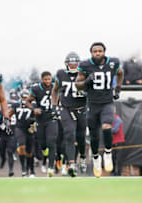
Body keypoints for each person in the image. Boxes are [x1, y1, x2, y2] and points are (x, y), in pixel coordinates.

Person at [75, 42, 124, 178]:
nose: (97, 53)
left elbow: (120, 73)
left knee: (107, 126)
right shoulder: (85, 65)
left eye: (100, 51)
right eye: (95, 51)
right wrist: (86, 82)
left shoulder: (113, 63)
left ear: (104, 52)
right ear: (91, 53)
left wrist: (118, 88)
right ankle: (96, 158)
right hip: (92, 104)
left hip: (107, 102)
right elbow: (77, 85)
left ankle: (108, 153)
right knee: (94, 134)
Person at [51, 51, 88, 177]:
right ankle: (71, 164)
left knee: (81, 137)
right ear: (66, 64)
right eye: (70, 63)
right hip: (66, 108)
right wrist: (54, 106)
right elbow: (55, 90)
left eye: (75, 63)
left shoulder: (84, 73)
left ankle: (82, 157)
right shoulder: (61, 74)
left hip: (81, 108)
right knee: (68, 134)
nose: (73, 65)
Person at [28, 71, 58, 177]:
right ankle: (44, 151)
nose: (48, 81)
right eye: (45, 79)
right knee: (43, 143)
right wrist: (34, 109)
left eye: (49, 79)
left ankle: (50, 167)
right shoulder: (36, 89)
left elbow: (61, 97)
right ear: (42, 80)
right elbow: (28, 101)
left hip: (52, 118)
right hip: (40, 119)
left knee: (52, 141)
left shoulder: (55, 87)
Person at [9, 89, 37, 177]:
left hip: (30, 128)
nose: (24, 99)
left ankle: (31, 170)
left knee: (29, 151)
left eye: (26, 97)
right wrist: (7, 119)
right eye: (23, 97)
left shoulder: (34, 105)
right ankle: (24, 169)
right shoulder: (16, 104)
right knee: (21, 147)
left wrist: (35, 123)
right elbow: (10, 113)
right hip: (19, 127)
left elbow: (38, 115)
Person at [111, 109, 125, 176]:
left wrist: (107, 128)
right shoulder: (110, 120)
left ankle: (118, 174)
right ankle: (113, 173)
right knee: (113, 158)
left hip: (119, 142)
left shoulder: (117, 119)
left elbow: (115, 130)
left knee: (118, 159)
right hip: (113, 143)